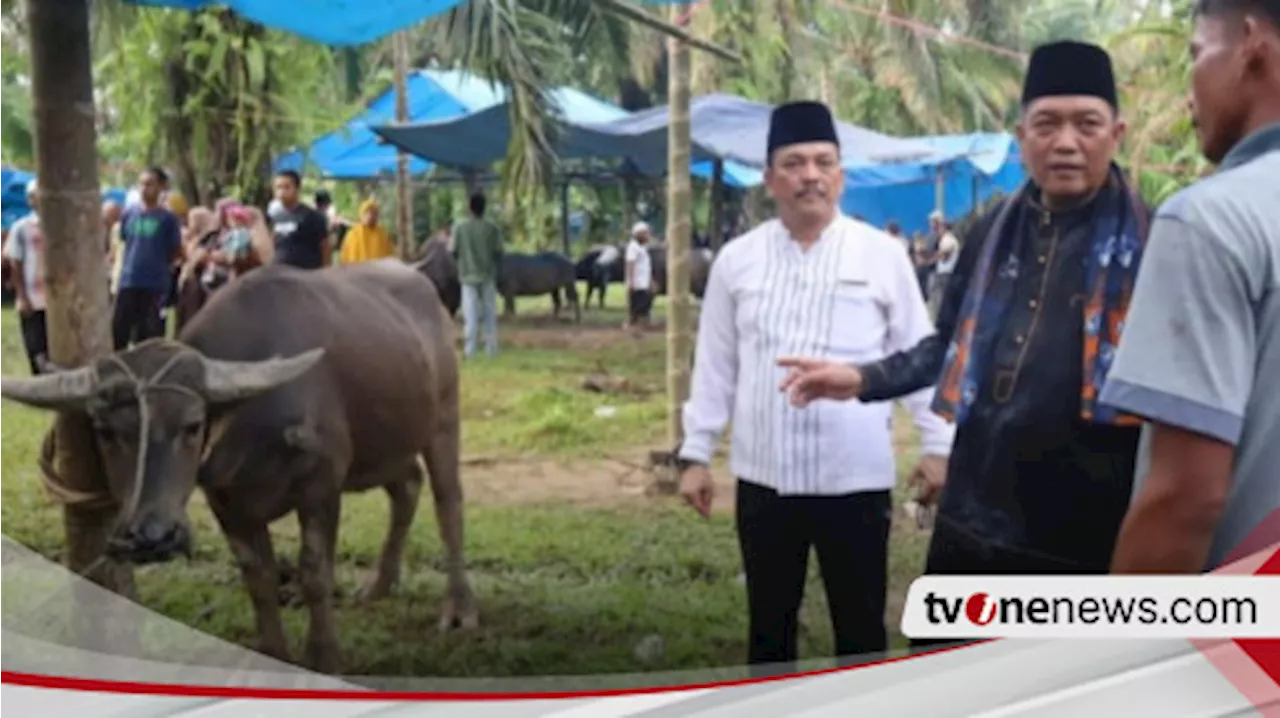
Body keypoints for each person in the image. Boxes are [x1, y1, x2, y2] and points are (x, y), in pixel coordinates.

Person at [777, 41, 1151, 644]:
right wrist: (862, 379)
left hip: (1082, 533)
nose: (1065, 143)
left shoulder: (1155, 243)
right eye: (1047, 124)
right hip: (972, 515)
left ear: (1117, 133)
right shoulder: (990, 233)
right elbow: (944, 347)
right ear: (1021, 134)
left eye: (1087, 124)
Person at [676, 100, 955, 673]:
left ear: (841, 175)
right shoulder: (737, 261)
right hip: (763, 481)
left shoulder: (881, 256)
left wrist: (938, 446)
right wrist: (696, 454)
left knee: (859, 631)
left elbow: (920, 355)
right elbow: (716, 366)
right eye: (795, 163)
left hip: (854, 480)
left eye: (824, 162)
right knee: (769, 630)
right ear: (770, 177)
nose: (810, 175)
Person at [1101, 0, 1280, 573]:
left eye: (1197, 54)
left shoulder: (1213, 219)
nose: (1188, 94)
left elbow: (1185, 499)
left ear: (1251, 42)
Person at [115, 167, 185, 349]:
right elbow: (124, 239)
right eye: (142, 184)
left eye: (150, 184)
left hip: (155, 284)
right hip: (129, 280)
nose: (144, 189)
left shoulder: (168, 219)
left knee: (149, 335)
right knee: (119, 330)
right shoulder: (129, 213)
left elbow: (176, 251)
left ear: (161, 187)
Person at [451, 192, 503, 358]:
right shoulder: (492, 228)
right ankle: (491, 350)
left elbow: (452, 251)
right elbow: (499, 252)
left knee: (470, 316)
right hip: (487, 277)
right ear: (484, 208)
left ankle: (470, 351)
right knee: (489, 314)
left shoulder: (459, 228)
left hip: (467, 277)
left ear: (469, 208)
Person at [5, 180, 48, 374]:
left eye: (39, 194)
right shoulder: (21, 228)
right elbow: (16, 263)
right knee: (35, 345)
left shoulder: (60, 226)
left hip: (56, 299)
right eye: (32, 196)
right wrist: (22, 296)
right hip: (33, 296)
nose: (36, 199)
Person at [268, 170, 330, 270]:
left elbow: (325, 247)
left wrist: (325, 273)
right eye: (278, 187)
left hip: (305, 276)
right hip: (279, 275)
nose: (282, 192)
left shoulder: (313, 217)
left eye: (287, 187)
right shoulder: (274, 216)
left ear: (297, 189)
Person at [339, 198, 396, 265]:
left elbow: (390, 254)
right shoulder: (353, 234)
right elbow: (345, 256)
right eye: (367, 212)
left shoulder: (383, 234)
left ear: (377, 215)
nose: (370, 215)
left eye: (374, 213)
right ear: (361, 214)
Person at [624, 221, 654, 329]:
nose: (648, 236)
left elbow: (647, 266)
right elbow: (630, 264)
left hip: (644, 281)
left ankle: (642, 323)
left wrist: (650, 281)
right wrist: (631, 281)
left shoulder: (644, 248)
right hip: (637, 282)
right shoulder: (633, 247)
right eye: (646, 233)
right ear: (639, 234)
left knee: (644, 303)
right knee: (636, 305)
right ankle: (632, 324)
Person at [928, 214, 960, 317]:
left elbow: (943, 255)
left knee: (941, 302)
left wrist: (929, 259)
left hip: (946, 274)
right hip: (943, 274)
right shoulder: (945, 239)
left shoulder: (948, 239)